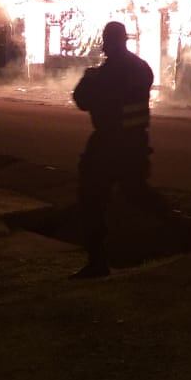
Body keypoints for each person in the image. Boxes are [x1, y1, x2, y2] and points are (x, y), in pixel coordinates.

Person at [70, 21, 154, 279]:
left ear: (109, 42)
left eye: (106, 41)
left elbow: (82, 100)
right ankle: (178, 227)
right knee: (137, 193)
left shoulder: (105, 74)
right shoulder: (142, 68)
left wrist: (90, 78)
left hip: (108, 145)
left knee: (92, 199)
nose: (104, 46)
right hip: (136, 143)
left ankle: (97, 262)